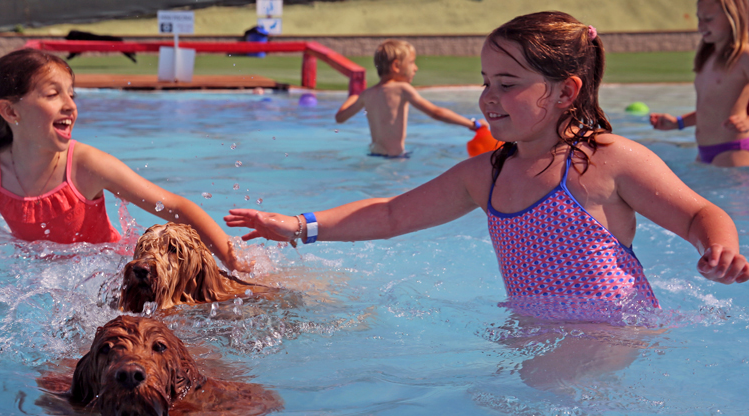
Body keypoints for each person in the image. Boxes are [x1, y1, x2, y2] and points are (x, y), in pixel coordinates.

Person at [225, 12, 749, 322]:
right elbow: (390, 214)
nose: (488, 97)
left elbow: (699, 212)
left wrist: (718, 248)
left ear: (565, 91)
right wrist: (297, 226)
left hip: (617, 331)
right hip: (532, 329)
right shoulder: (487, 175)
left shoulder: (607, 161)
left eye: (507, 83)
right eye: (485, 81)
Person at [0, 48, 244, 272]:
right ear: (11, 111)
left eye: (71, 94)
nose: (70, 105)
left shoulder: (84, 165)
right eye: (52, 94)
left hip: (115, 272)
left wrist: (234, 262)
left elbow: (176, 207)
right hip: (45, 284)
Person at [335, 39, 483, 158]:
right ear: (396, 66)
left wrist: (353, 97)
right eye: (412, 62)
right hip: (395, 159)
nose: (416, 68)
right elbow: (436, 113)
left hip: (374, 156)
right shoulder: (402, 89)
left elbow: (340, 118)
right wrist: (473, 124)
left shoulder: (366, 95)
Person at [650, 0, 749, 167]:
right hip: (704, 152)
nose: (700, 26)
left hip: (733, 151)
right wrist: (678, 123)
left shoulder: (743, 56)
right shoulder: (708, 57)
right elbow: (711, 109)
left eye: (709, 19)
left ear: (733, 17)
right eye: (699, 19)